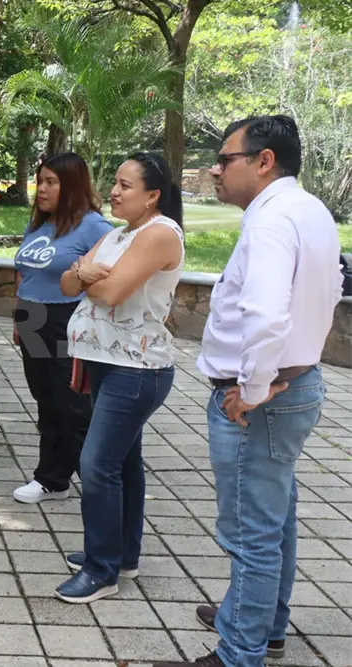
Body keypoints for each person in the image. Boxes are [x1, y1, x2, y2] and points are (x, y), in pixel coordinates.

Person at [152, 118, 342, 667]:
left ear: (264, 162)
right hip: (297, 382)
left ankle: (240, 653)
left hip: (258, 399)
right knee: (275, 515)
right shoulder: (308, 210)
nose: (214, 168)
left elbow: (264, 315)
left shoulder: (271, 222)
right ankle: (262, 621)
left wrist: (251, 388)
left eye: (225, 158)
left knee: (252, 534)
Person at [56, 152, 184, 603]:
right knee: (123, 462)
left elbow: (110, 292)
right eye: (114, 182)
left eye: (125, 185)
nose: (113, 191)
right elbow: (66, 285)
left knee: (96, 464)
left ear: (152, 196)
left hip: (138, 370)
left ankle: (101, 570)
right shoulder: (116, 235)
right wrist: (80, 272)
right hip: (107, 364)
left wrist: (84, 274)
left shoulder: (160, 234)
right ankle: (123, 555)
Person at [11, 153, 113, 504]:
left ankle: (100, 486)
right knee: (46, 403)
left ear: (72, 186)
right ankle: (53, 479)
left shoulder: (94, 227)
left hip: (65, 323)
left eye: (51, 182)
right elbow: (26, 271)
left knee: (73, 407)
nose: (42, 188)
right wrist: (18, 315)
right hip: (31, 320)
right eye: (40, 181)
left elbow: (109, 280)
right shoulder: (40, 223)